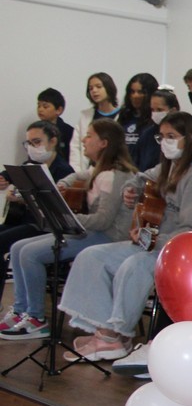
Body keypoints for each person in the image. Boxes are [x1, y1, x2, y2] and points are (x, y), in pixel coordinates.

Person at [58, 112, 192, 361]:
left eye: (171, 136)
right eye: (161, 137)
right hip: (153, 242)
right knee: (91, 256)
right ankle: (106, 331)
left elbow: (191, 230)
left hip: (180, 251)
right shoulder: (169, 166)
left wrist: (151, 238)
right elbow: (140, 177)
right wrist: (130, 190)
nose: (165, 142)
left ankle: (115, 335)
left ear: (188, 138)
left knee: (134, 266)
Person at [0, 120, 137, 339]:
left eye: (89, 136)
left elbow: (103, 221)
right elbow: (80, 175)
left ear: (103, 143)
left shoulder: (114, 175)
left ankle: (36, 318)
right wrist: (64, 183)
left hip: (108, 237)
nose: (83, 139)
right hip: (91, 232)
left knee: (30, 254)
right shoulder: (99, 170)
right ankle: (20, 310)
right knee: (17, 248)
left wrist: (66, 217)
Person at [0, 121, 76, 286]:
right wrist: (4, 179)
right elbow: (10, 173)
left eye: (37, 142)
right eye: (28, 143)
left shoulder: (63, 171)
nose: (32, 147)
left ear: (53, 141)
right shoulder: (30, 164)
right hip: (22, 220)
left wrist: (23, 199)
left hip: (43, 226)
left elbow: (55, 206)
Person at [70, 72, 121, 171]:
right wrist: (77, 172)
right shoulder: (85, 116)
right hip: (87, 170)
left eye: (98, 87)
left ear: (109, 88)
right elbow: (75, 147)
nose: (94, 91)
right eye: (91, 88)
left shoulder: (122, 115)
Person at [118, 73, 159, 168]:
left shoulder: (155, 120)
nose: (135, 96)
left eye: (140, 92)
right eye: (132, 92)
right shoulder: (124, 117)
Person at [36, 88, 74, 163]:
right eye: (39, 106)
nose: (40, 109)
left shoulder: (69, 131)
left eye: (45, 106)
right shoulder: (35, 130)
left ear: (59, 110)